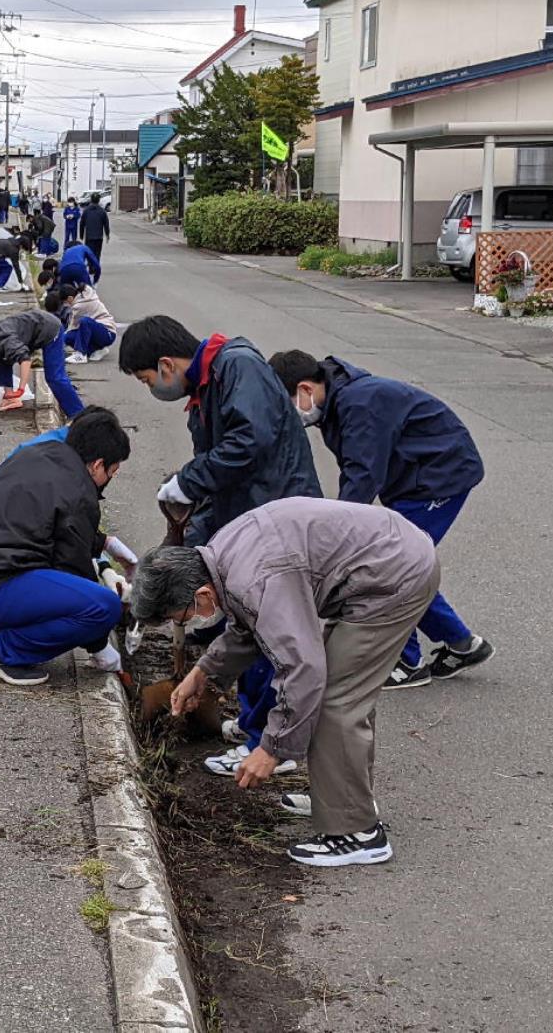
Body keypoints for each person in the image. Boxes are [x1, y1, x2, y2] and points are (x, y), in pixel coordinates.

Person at [131, 498, 441, 867]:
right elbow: (249, 626)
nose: (184, 623)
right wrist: (204, 672)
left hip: (393, 579)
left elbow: (302, 669)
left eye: (180, 617)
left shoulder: (258, 580)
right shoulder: (221, 558)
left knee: (335, 700)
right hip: (383, 560)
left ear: (202, 594)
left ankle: (358, 834)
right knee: (333, 691)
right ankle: (340, 798)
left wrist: (272, 748)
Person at [119, 316, 322, 776]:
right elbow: (219, 475)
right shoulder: (206, 390)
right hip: (251, 518)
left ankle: (269, 744)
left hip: (279, 520)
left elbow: (249, 441)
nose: (152, 388)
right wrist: (190, 535)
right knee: (246, 623)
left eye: (147, 379)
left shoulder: (237, 366)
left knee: (271, 635)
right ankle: (253, 726)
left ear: (166, 365)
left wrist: (188, 481)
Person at [268, 350, 494, 689]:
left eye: (287, 405)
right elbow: (356, 468)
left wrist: (337, 532)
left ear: (305, 388)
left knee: (394, 567)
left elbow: (362, 474)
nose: (289, 415)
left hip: (440, 478)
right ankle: (462, 644)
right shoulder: (335, 402)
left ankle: (408, 662)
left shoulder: (359, 403)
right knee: (400, 564)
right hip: (412, 478)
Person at [0, 410, 136, 686]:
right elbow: (74, 571)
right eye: (112, 471)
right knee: (104, 607)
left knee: (63, 590)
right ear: (97, 465)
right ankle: (2, 649)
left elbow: (45, 524)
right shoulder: (79, 493)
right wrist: (99, 646)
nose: (111, 477)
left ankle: (1, 635)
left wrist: (103, 543)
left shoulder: (37, 454)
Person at [0, 309, 86, 419]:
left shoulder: (6, 340)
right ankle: (10, 397)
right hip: (33, 329)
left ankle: (78, 414)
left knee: (54, 377)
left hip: (50, 329)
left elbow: (25, 360)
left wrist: (21, 389)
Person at [45, 281, 116, 364]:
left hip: (108, 332)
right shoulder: (84, 295)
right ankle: (97, 349)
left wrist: (55, 344)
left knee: (84, 322)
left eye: (65, 302)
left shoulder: (79, 306)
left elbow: (72, 326)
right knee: (69, 337)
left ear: (70, 298)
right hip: (99, 331)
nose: (65, 305)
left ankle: (81, 355)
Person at [79, 192, 110, 261]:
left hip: (89, 237)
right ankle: (96, 265)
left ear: (91, 200)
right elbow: (106, 224)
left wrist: (81, 235)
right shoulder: (102, 211)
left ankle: (90, 265)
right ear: (99, 200)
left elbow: (82, 224)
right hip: (99, 237)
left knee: (89, 252)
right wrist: (107, 235)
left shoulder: (86, 211)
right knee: (97, 253)